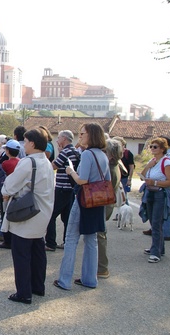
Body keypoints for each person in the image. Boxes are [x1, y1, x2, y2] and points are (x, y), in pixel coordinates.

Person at [1, 129, 55, 304]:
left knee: (22, 253)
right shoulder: (46, 161)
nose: (24, 145)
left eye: (25, 141)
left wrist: (5, 192)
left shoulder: (28, 162)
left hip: (28, 213)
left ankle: (24, 292)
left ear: (32, 143)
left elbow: (10, 185)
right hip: (43, 212)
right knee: (38, 251)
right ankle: (38, 287)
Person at [54, 123, 110, 290]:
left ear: (91, 135)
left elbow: (82, 180)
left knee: (71, 238)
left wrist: (71, 171)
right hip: (97, 201)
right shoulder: (103, 155)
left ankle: (64, 280)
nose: (80, 136)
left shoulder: (87, 154)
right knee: (91, 239)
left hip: (84, 199)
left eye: (83, 133)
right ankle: (90, 279)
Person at [139, 137, 170, 263]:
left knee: (156, 222)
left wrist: (154, 182)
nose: (152, 149)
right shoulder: (152, 161)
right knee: (152, 220)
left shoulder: (167, 162)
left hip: (160, 194)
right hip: (150, 193)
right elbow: (142, 176)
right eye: (151, 146)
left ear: (162, 149)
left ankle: (156, 252)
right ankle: (160, 248)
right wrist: (148, 166)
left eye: (155, 147)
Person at [46, 130, 80, 252]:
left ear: (64, 139)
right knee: (67, 217)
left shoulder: (65, 151)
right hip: (71, 188)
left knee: (51, 215)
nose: (57, 140)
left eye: (59, 138)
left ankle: (50, 242)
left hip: (61, 188)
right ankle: (67, 242)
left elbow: (53, 166)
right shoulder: (75, 151)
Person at [97, 138, 122, 278]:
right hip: (107, 204)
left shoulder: (110, 169)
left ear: (110, 155)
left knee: (100, 235)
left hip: (104, 204)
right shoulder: (114, 166)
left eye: (103, 151)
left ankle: (102, 268)